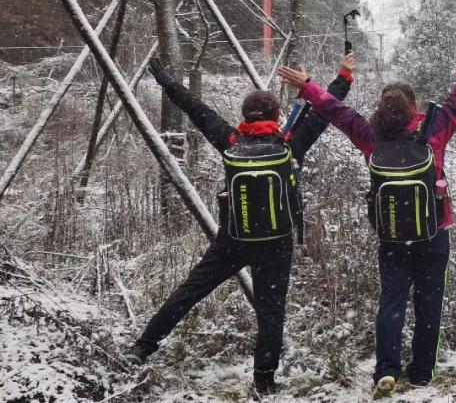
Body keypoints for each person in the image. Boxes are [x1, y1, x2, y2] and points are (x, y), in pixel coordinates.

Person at [123, 54, 356, 395]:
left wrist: (168, 83)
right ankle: (263, 381)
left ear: (245, 116)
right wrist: (344, 76)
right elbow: (326, 109)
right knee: (270, 312)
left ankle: (142, 348)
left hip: (234, 239)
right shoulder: (289, 144)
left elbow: (195, 108)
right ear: (276, 116)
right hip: (276, 242)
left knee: (189, 291)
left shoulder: (231, 142)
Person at [277, 36, 456, 396]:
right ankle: (421, 372)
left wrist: (307, 85)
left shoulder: (370, 135)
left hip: (392, 236)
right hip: (434, 231)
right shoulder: (433, 131)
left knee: (392, 300)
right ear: (413, 107)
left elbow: (335, 110)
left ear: (381, 108)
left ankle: (386, 370)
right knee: (429, 302)